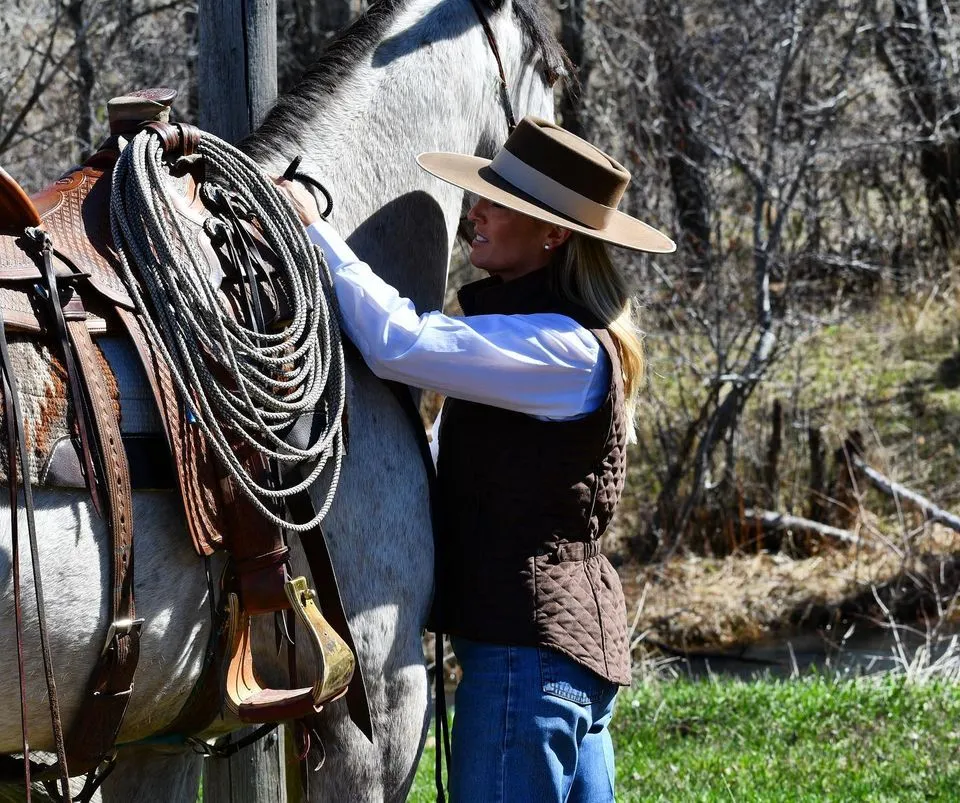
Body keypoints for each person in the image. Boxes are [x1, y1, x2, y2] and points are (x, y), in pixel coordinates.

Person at [278, 116, 674, 803]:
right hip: (558, 656)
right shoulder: (556, 344)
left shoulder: (560, 347)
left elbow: (397, 342)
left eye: (501, 204)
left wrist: (313, 229)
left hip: (528, 657)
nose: (477, 212)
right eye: (483, 194)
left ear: (553, 235)